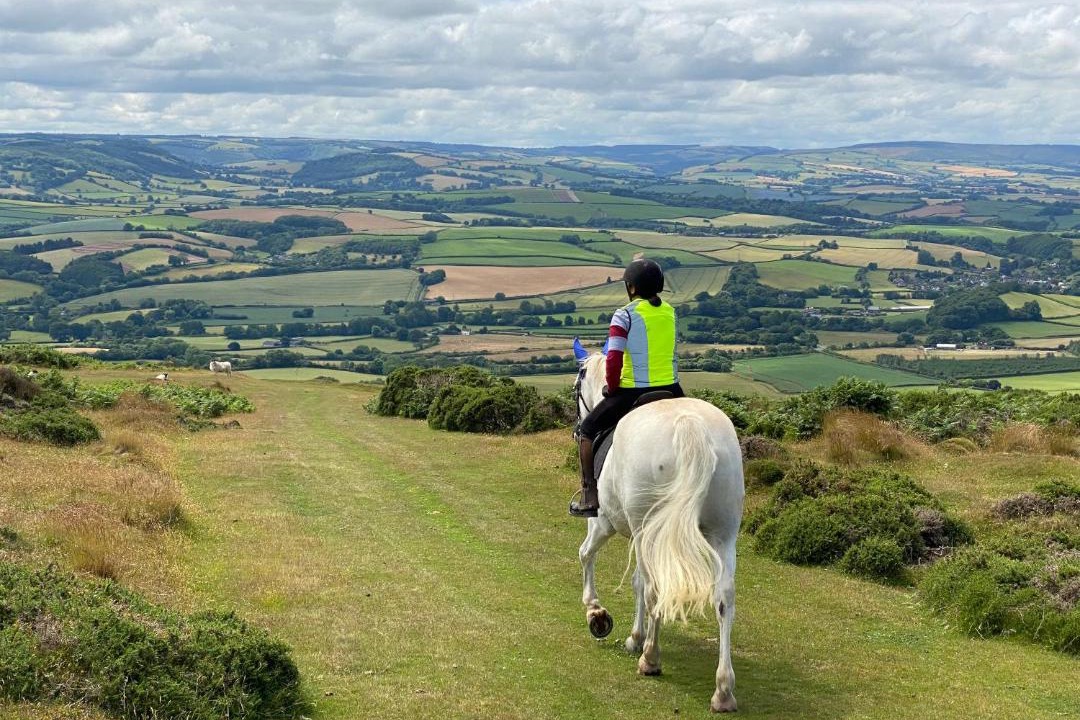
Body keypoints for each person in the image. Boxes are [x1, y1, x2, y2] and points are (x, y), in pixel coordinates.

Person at [570, 258, 685, 517]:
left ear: (631, 288)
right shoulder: (669, 311)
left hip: (634, 390)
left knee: (586, 431)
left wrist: (611, 387)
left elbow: (614, 358)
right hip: (673, 387)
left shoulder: (624, 315)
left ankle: (589, 494)